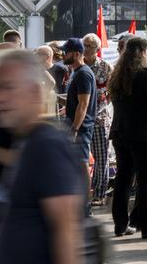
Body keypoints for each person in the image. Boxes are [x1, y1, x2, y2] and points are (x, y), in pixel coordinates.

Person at [0, 50, 84, 264]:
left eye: (7, 87)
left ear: (34, 93)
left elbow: (66, 233)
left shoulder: (47, 145)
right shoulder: (29, 141)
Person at [109, 37, 147, 239]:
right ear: (143, 53)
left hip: (121, 132)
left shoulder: (117, 77)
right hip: (145, 135)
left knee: (123, 179)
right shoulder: (146, 75)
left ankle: (120, 224)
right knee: (146, 181)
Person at [62, 37, 98, 203]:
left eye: (66, 52)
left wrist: (75, 129)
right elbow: (77, 101)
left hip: (81, 128)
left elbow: (83, 104)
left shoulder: (83, 73)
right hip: (77, 127)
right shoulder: (77, 72)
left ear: (76, 54)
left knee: (83, 164)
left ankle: (85, 204)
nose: (63, 54)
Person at [83, 33, 113, 206]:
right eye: (84, 45)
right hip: (81, 117)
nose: (86, 49)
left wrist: (101, 104)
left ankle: (99, 193)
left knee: (101, 157)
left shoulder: (105, 66)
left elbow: (111, 91)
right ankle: (85, 191)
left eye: (90, 46)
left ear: (97, 48)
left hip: (100, 117)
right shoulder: (78, 66)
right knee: (82, 158)